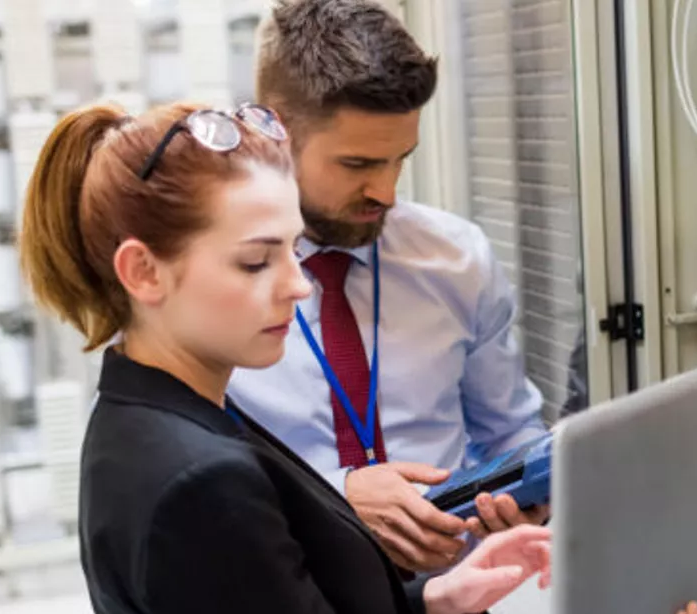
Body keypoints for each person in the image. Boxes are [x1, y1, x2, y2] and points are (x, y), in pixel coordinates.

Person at [17, 101, 553, 613]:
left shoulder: (161, 410)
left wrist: (434, 603)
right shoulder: (200, 484)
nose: (300, 288)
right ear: (143, 272)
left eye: (292, 252)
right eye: (255, 262)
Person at [228, 0, 549, 572]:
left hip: (461, 590)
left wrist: (526, 501)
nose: (387, 193)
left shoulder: (457, 260)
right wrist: (333, 495)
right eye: (357, 165)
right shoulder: (212, 286)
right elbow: (184, 478)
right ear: (273, 129)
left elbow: (509, 435)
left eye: (401, 159)